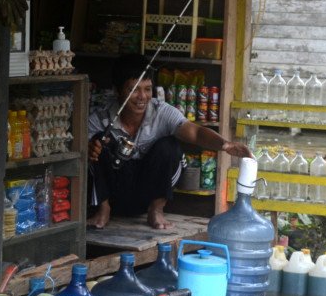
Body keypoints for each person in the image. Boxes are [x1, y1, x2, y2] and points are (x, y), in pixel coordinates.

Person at [87, 54, 253, 230]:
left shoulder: (161, 111)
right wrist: (92, 147)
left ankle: (156, 210)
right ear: (117, 90)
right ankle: (103, 209)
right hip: (113, 191)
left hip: (147, 192)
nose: (142, 97)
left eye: (148, 89)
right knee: (95, 143)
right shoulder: (100, 117)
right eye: (133, 89)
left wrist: (225, 145)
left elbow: (195, 132)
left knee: (170, 146)